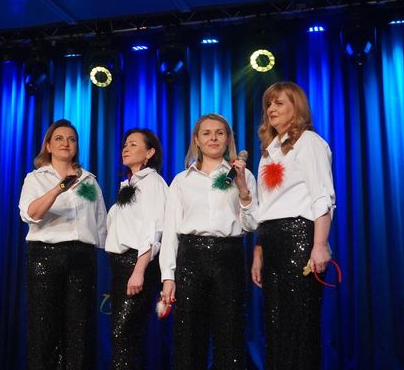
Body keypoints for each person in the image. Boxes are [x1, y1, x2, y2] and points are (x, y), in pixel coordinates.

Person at [159, 113, 258, 369]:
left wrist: (243, 190)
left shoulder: (244, 175)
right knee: (189, 336)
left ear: (228, 139)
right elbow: (170, 231)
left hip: (229, 256)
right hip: (191, 257)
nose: (213, 138)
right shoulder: (181, 181)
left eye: (219, 133)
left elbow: (252, 224)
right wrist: (168, 276)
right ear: (197, 140)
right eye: (206, 133)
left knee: (230, 334)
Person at [249, 81, 336, 369]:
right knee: (275, 324)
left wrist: (319, 245)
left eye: (279, 103)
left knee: (299, 323)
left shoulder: (309, 142)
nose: (271, 109)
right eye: (268, 104)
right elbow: (265, 207)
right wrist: (259, 251)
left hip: (298, 237)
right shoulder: (268, 153)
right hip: (271, 239)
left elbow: (322, 196)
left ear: (296, 108)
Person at [19, 119, 107, 370]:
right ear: (48, 145)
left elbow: (101, 224)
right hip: (45, 256)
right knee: (44, 329)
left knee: (79, 329)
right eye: (59, 138)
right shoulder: (35, 178)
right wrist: (59, 188)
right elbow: (31, 213)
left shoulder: (89, 180)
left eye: (71, 139)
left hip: (82, 257)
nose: (66, 143)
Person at [105, 128, 168, 369]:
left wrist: (139, 270)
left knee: (124, 334)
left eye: (133, 144)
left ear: (149, 153)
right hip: (121, 266)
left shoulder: (152, 182)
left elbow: (154, 230)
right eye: (125, 144)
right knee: (125, 336)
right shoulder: (129, 184)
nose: (126, 148)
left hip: (137, 263)